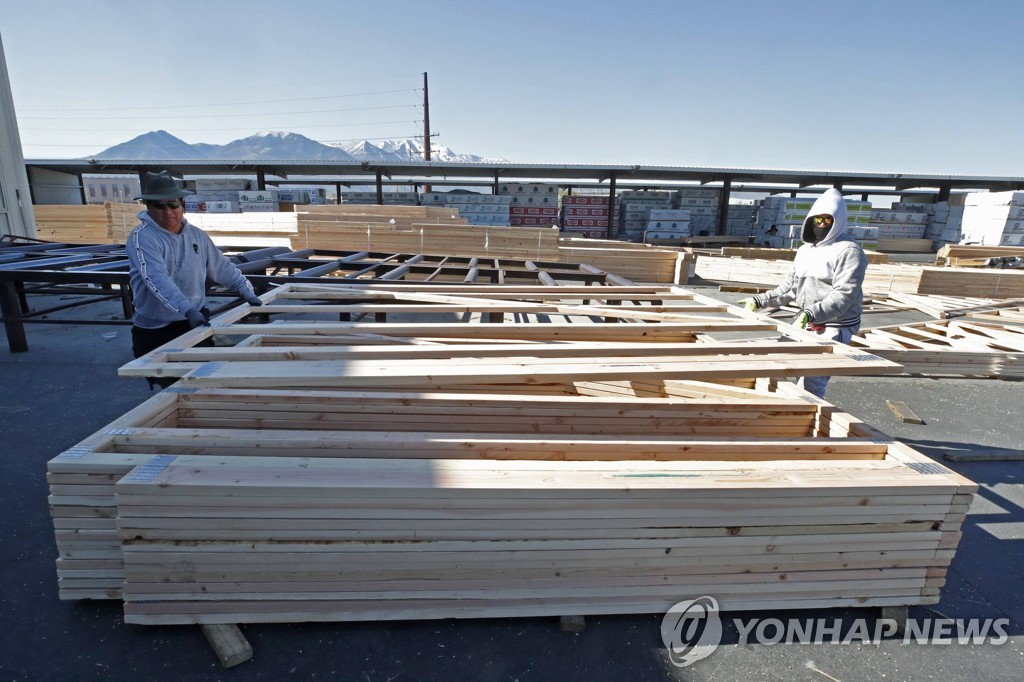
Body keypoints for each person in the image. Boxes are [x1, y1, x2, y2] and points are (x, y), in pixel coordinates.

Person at [126, 170, 263, 387]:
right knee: (171, 386)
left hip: (194, 322)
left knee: (202, 378)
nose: (168, 212)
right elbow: (155, 278)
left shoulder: (197, 235)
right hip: (157, 328)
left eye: (172, 205)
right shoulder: (143, 237)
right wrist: (186, 309)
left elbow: (222, 267)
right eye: (159, 206)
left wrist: (246, 290)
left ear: (182, 204)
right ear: (147, 207)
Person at [739, 188, 867, 398]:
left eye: (827, 220)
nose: (822, 225)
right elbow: (789, 289)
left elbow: (844, 295)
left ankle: (809, 425)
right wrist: (760, 300)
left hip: (834, 325)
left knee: (811, 383)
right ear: (810, 220)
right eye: (818, 221)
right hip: (806, 320)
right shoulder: (805, 250)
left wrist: (812, 313)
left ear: (838, 220)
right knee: (776, 363)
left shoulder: (848, 251)